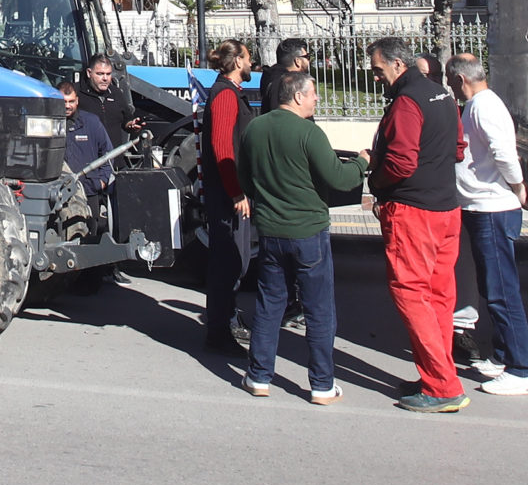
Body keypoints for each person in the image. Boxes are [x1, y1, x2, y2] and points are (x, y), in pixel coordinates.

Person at [236, 66, 365, 402]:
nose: (317, 99)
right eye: (312, 93)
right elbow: (339, 177)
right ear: (296, 96)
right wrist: (363, 163)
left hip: (270, 231)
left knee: (269, 304)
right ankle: (321, 383)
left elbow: (246, 179)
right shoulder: (309, 133)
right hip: (308, 231)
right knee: (319, 308)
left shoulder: (254, 130)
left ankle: (259, 376)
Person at [367, 37, 469, 413]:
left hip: (414, 211)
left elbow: (401, 163)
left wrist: (376, 181)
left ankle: (442, 384)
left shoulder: (407, 102)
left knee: (412, 293)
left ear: (397, 65)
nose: (377, 78)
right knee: (438, 296)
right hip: (445, 207)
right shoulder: (440, 95)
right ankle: (437, 373)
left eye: (379, 70)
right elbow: (458, 147)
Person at [448, 53, 528, 396]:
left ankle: (522, 370)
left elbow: (503, 153)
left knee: (502, 292)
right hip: (481, 206)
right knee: (493, 288)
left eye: (450, 79)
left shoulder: (484, 107)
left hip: (492, 209)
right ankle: (503, 357)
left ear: (460, 80)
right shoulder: (478, 106)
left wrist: (517, 187)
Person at [197, 37, 257, 354]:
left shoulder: (231, 93)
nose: (250, 63)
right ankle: (219, 332)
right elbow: (223, 148)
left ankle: (226, 322)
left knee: (235, 261)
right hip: (227, 196)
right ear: (236, 62)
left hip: (232, 193)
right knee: (226, 262)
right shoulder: (224, 95)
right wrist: (236, 193)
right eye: (247, 58)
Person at [58, 80, 115, 202]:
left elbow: (108, 153)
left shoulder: (92, 122)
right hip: (57, 191)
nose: (67, 106)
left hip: (89, 190)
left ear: (77, 101)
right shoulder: (46, 124)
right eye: (63, 102)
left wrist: (102, 181)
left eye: (71, 101)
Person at [76, 52, 140, 135]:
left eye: (108, 74)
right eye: (100, 74)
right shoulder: (75, 93)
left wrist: (132, 125)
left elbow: (127, 120)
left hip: (114, 147)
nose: (105, 78)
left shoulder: (116, 93)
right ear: (89, 73)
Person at [258, 37, 311, 114]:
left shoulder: (271, 77)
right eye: (307, 57)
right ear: (298, 61)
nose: (308, 61)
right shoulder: (285, 84)